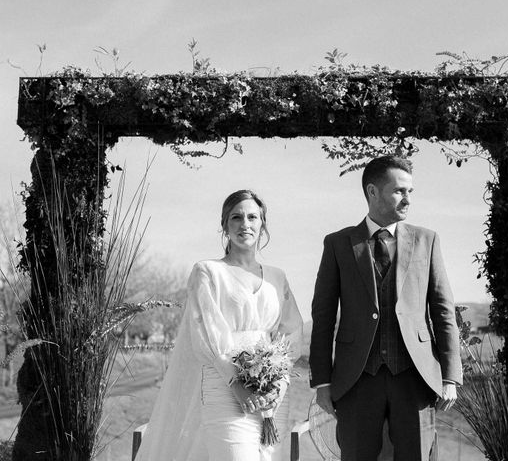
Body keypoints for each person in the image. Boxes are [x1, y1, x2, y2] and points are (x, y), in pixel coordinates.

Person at [309, 156, 462, 461]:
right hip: (357, 378)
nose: (407, 199)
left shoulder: (427, 240)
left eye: (410, 192)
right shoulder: (338, 244)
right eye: (399, 191)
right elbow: (323, 316)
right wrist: (323, 381)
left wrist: (450, 376)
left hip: (415, 377)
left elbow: (443, 311)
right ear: (373, 192)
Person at [135, 189, 303, 461]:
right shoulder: (208, 272)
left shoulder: (277, 277)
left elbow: (291, 331)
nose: (245, 224)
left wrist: (280, 383)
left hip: (272, 396)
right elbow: (204, 332)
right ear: (225, 225)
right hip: (225, 387)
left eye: (252, 217)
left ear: (262, 224)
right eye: (236, 217)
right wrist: (237, 384)